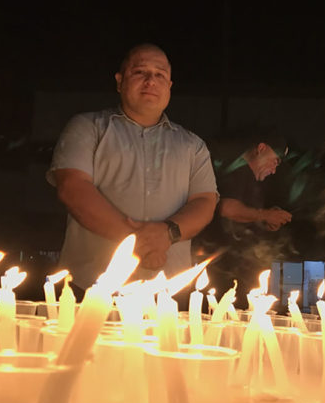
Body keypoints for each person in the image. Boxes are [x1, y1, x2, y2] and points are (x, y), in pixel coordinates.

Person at [47, 43, 218, 290]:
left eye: (160, 75)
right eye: (140, 72)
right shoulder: (88, 128)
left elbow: (204, 201)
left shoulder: (193, 145)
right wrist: (136, 242)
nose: (151, 81)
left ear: (169, 86)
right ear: (119, 81)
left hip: (167, 292)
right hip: (90, 287)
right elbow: (73, 188)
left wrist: (168, 234)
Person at [198, 135, 292, 305]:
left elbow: (245, 216)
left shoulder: (251, 179)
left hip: (239, 269)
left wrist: (265, 221)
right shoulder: (238, 172)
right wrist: (265, 215)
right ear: (261, 148)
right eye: (275, 161)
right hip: (224, 270)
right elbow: (227, 208)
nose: (274, 170)